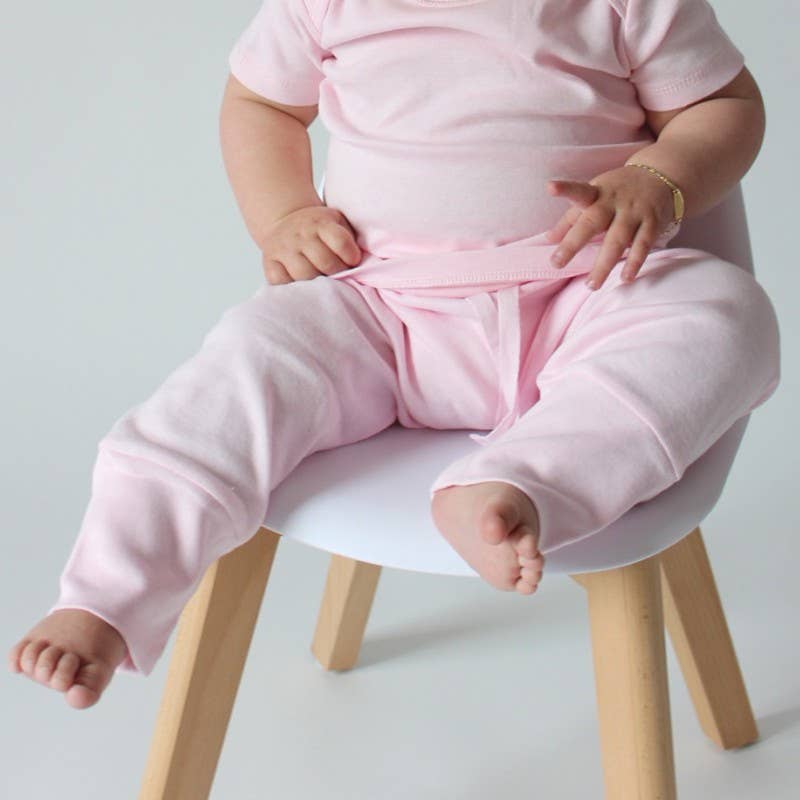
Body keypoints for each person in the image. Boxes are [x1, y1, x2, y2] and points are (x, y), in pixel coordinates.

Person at [8, 0, 781, 709]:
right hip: (377, 309)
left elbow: (722, 105)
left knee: (727, 313)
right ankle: (107, 596)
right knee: (238, 371)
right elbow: (261, 103)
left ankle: (519, 483)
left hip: (583, 295)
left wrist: (659, 176)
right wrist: (284, 214)